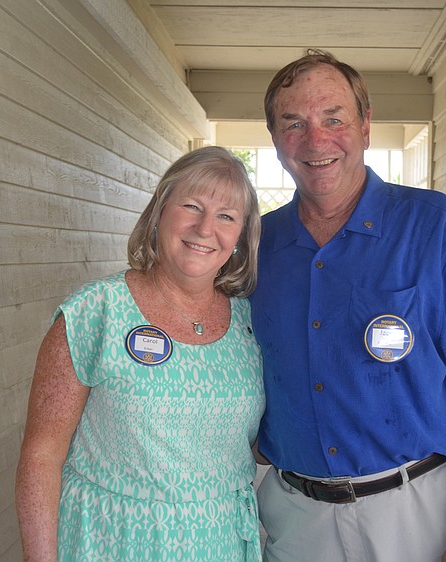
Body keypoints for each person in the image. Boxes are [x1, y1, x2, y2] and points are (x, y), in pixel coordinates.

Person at [250, 49, 446, 562]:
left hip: (418, 513)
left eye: (334, 119)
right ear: (274, 139)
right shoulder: (254, 247)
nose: (316, 140)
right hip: (296, 517)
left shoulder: (436, 227)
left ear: (365, 125)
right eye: (293, 123)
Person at [15, 146, 265, 561]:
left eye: (226, 216)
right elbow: (42, 455)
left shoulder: (250, 323)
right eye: (192, 206)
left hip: (219, 542)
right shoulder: (96, 312)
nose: (205, 228)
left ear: (241, 235)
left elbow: (252, 441)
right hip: (112, 541)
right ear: (160, 211)